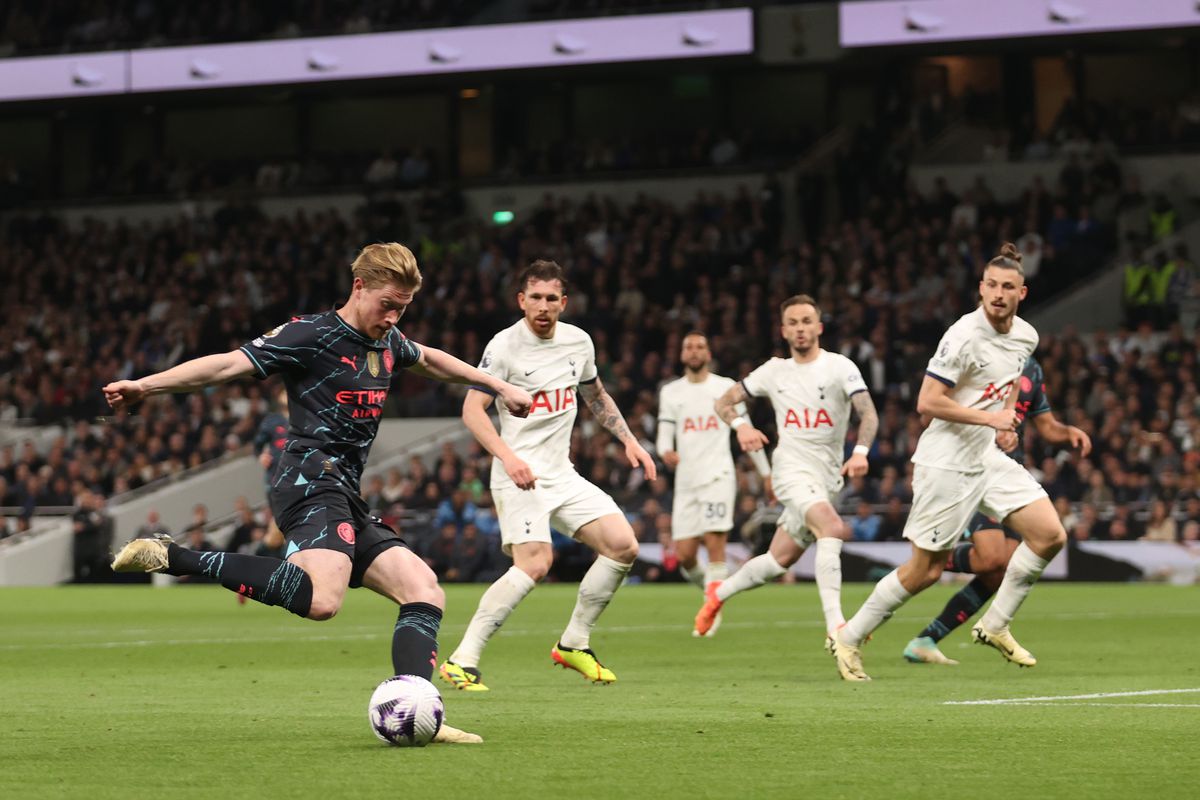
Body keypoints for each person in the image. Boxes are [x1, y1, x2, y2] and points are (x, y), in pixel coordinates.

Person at [105, 242, 533, 743]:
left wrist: (497, 386)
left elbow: (431, 360)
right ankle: (175, 556)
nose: (393, 318)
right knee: (323, 600)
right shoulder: (310, 334)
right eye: (387, 305)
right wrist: (146, 386)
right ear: (359, 286)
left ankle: (416, 705)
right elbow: (224, 366)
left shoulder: (388, 341)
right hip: (307, 478)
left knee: (423, 589)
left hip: (345, 489)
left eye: (402, 309)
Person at [833, 243, 1066, 681]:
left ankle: (995, 625)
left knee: (1050, 535)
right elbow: (927, 401)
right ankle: (849, 637)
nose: (998, 294)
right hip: (946, 462)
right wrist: (990, 418)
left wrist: (1007, 420)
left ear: (1022, 293)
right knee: (925, 571)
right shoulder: (962, 336)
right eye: (992, 285)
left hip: (987, 457)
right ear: (981, 288)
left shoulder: (1026, 336)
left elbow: (1010, 380)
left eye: (1008, 287)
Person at [438, 259, 657, 692]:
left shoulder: (578, 342)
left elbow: (596, 394)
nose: (543, 306)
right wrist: (508, 457)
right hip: (517, 472)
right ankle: (462, 660)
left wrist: (629, 440)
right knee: (536, 563)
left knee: (622, 546)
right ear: (521, 300)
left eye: (551, 298)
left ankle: (574, 643)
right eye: (535, 297)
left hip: (561, 473)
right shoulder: (504, 346)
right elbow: (472, 411)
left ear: (563, 303)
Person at [694, 294, 879, 651]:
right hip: (790, 470)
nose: (800, 329)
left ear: (819, 327)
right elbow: (723, 402)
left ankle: (719, 593)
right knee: (832, 527)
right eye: (792, 323)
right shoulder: (774, 371)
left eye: (806, 321)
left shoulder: (840, 367)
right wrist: (742, 428)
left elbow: (868, 413)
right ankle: (837, 628)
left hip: (826, 478)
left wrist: (860, 452)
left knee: (779, 560)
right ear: (783, 331)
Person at [902, 356, 1091, 665]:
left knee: (999, 571)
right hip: (974, 467)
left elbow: (1046, 425)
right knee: (991, 557)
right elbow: (931, 413)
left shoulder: (1032, 368)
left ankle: (926, 639)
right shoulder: (976, 355)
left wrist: (1068, 432)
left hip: (1010, 475)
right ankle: (923, 562)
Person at [656, 331, 771, 636]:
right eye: (689, 347)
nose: (694, 351)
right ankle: (713, 597)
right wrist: (665, 452)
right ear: (682, 354)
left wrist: (766, 472)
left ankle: (710, 610)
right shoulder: (671, 392)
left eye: (700, 347)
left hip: (718, 476)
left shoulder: (724, 387)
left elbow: (747, 432)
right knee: (685, 556)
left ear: (708, 353)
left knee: (714, 545)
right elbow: (664, 435)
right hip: (686, 482)